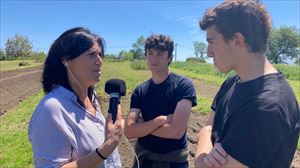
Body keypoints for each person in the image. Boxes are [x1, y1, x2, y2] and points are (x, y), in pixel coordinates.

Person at [194, 0, 300, 167]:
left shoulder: (268, 106)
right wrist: (206, 136)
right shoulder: (231, 82)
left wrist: (200, 157)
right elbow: (207, 127)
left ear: (237, 40)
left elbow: (205, 146)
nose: (208, 52)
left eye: (211, 42)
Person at [28, 27, 123, 168]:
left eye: (100, 55)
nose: (100, 61)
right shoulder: (51, 110)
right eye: (91, 54)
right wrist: (106, 148)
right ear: (66, 60)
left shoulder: (91, 98)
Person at [124, 34, 197, 168]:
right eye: (150, 53)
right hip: (144, 160)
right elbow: (128, 131)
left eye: (160, 54)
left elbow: (176, 132)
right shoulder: (140, 90)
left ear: (169, 57)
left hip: (173, 162)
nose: (154, 59)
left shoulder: (183, 86)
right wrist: (159, 121)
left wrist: (142, 127)